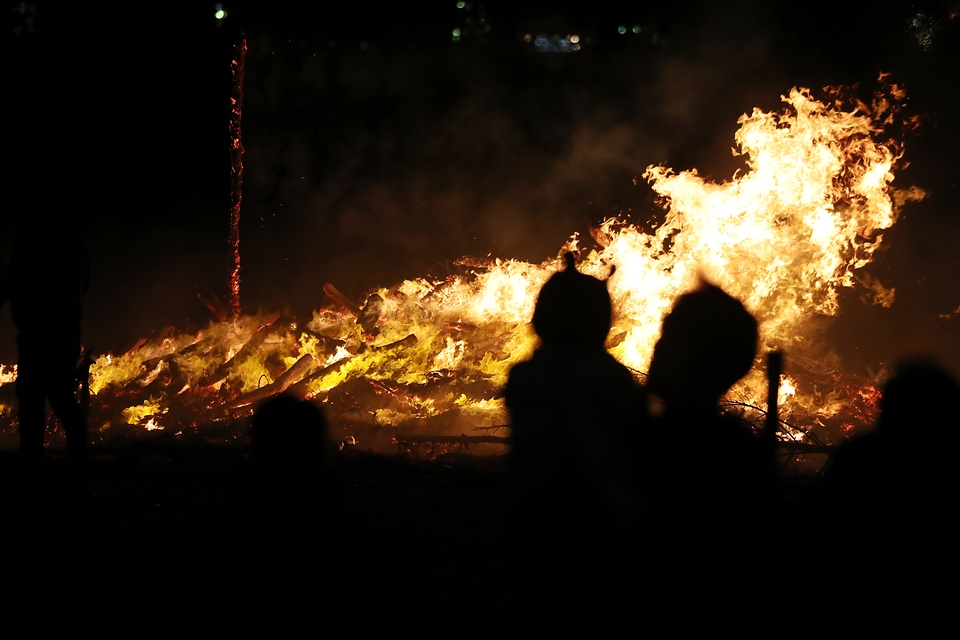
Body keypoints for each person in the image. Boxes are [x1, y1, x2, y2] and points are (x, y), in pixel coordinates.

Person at [504, 252, 645, 610]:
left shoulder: (525, 377)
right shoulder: (612, 379)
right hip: (602, 520)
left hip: (533, 516)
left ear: (540, 321)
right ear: (601, 322)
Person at [644, 281, 774, 588]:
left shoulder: (644, 443)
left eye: (669, 338)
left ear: (695, 358)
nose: (657, 347)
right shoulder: (741, 450)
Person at [7, 215, 91, 465]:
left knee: (33, 400)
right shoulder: (72, 242)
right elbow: (85, 282)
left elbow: (13, 286)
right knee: (61, 396)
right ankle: (79, 457)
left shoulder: (26, 245)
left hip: (37, 334)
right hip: (64, 332)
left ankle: (32, 462)